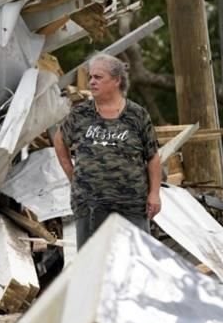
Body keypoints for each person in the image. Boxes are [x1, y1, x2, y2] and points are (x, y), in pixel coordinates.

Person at [53, 54, 161, 248]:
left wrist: (154, 193)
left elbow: (152, 157)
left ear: (117, 80)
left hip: (131, 205)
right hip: (90, 205)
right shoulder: (80, 114)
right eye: (90, 77)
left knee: (135, 263)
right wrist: (73, 175)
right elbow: (60, 141)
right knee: (93, 265)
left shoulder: (137, 115)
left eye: (98, 77)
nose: (92, 82)